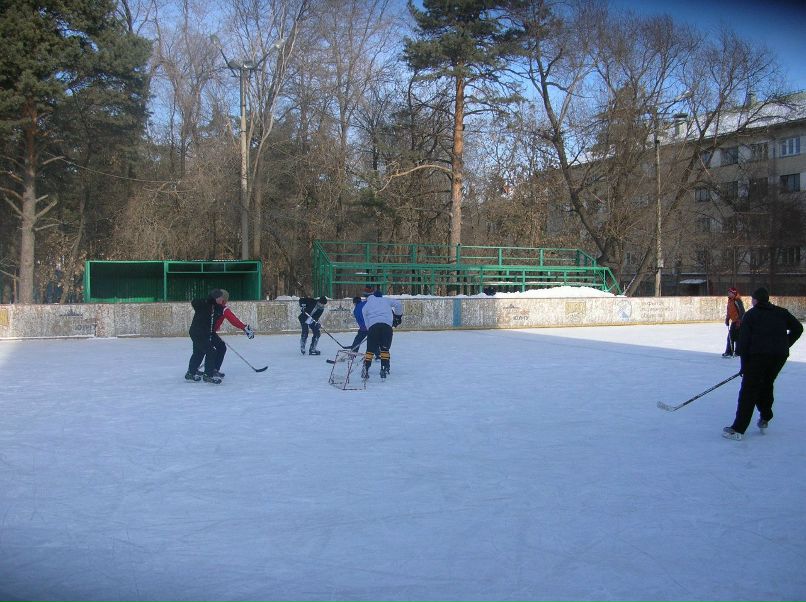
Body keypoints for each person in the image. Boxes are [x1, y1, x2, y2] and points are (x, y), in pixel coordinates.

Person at [723, 287, 802, 440]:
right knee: (766, 384)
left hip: (758, 357)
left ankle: (738, 429)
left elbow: (743, 343)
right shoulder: (781, 312)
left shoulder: (751, 315)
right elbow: (798, 328)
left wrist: (744, 366)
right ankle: (765, 417)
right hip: (778, 357)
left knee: (749, 390)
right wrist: (785, 344)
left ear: (756, 300)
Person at [187, 288, 254, 384]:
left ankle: (196, 371)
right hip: (203, 332)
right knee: (211, 350)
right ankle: (209, 372)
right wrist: (244, 328)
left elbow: (232, 320)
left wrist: (244, 328)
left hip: (206, 332)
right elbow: (233, 320)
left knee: (211, 349)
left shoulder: (219, 308)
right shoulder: (213, 306)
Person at [360, 288, 403, 380]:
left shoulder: (367, 305)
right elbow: (398, 304)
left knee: (370, 349)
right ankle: (384, 368)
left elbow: (365, 316)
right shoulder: (386, 300)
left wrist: (369, 329)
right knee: (384, 348)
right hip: (387, 326)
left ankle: (366, 368)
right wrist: (398, 316)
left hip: (373, 326)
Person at [722, 287, 745, 357]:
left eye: (730, 292)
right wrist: (727, 319)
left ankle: (737, 352)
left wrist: (739, 321)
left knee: (736, 337)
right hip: (734, 321)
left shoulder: (737, 301)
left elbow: (742, 311)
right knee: (731, 337)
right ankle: (731, 352)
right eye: (728, 292)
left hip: (738, 322)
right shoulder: (730, 301)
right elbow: (729, 311)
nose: (728, 293)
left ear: (733, 293)